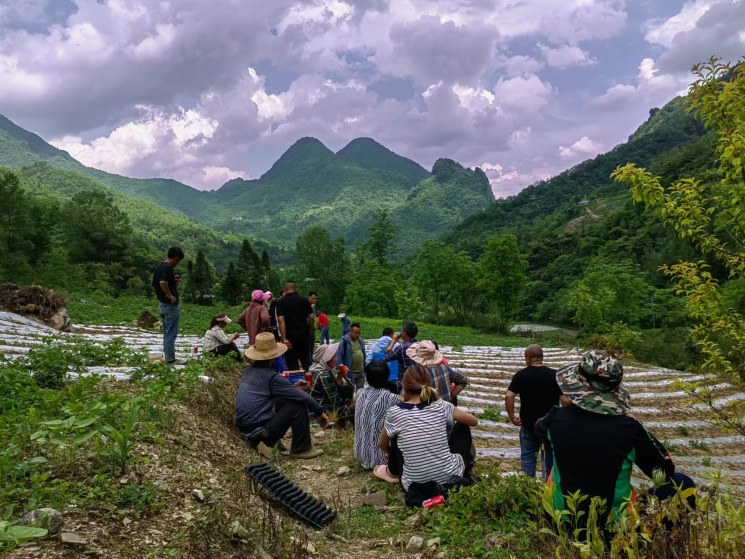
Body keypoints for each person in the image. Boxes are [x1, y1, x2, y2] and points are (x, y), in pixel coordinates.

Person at [536, 350, 696, 530]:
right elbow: (665, 471)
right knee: (682, 482)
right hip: (612, 529)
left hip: (560, 521)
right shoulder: (630, 429)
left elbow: (538, 428)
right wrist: (636, 424)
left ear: (576, 385)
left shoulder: (555, 418)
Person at [379, 365, 478, 494]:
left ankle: (393, 472)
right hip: (449, 477)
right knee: (461, 426)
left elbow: (382, 443)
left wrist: (387, 452)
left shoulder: (395, 412)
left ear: (405, 386)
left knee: (397, 437)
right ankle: (461, 463)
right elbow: (473, 421)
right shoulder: (441, 405)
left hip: (413, 486)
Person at [236, 333, 327, 460]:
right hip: (260, 432)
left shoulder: (249, 370)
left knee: (291, 397)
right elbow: (303, 397)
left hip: (247, 429)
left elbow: (270, 393)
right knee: (298, 405)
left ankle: (277, 443)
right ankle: (301, 449)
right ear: (274, 356)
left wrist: (293, 388)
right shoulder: (271, 376)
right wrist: (319, 412)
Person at [505, 345, 563, 480]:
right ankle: (547, 489)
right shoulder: (555, 375)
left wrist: (512, 417)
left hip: (528, 425)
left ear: (528, 358)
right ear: (542, 357)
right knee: (548, 459)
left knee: (528, 457)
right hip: (549, 426)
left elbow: (509, 396)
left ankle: (527, 488)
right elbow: (565, 401)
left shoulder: (521, 375)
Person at [354, 360, 401, 472]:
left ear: (367, 377)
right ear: (387, 376)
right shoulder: (392, 398)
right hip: (381, 460)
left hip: (360, 454)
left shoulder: (360, 392)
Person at [151, 247, 184, 364]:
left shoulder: (160, 266)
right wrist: (170, 295)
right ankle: (170, 359)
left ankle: (168, 357)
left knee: (167, 332)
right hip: (170, 306)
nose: (178, 263)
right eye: (178, 261)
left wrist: (173, 282)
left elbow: (157, 283)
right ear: (175, 258)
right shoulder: (168, 268)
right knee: (171, 333)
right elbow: (162, 282)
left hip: (162, 304)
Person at [309, 343, 354, 421]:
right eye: (333, 357)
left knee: (347, 390)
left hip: (316, 404)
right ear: (326, 359)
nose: (336, 359)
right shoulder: (323, 375)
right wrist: (349, 411)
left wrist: (340, 377)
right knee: (347, 411)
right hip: (318, 408)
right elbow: (335, 400)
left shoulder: (319, 369)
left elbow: (334, 390)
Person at [276, 282, 314, 371]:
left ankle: (296, 382)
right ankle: (311, 380)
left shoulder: (281, 302)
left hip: (290, 338)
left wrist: (284, 338)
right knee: (306, 360)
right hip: (303, 335)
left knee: (292, 362)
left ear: (285, 289)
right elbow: (311, 317)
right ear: (296, 288)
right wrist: (310, 330)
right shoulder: (304, 300)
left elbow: (281, 321)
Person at [384, 320, 418, 392]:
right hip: (417, 381)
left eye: (402, 331)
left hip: (404, 383)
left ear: (405, 333)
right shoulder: (419, 345)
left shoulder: (401, 348)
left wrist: (393, 341)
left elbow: (386, 357)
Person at [337, 322, 366, 390]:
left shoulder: (360, 340)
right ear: (351, 331)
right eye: (356, 333)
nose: (357, 334)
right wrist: (341, 371)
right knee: (350, 391)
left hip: (361, 372)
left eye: (359, 333)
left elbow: (364, 354)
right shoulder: (344, 342)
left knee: (360, 391)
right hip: (351, 372)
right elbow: (339, 356)